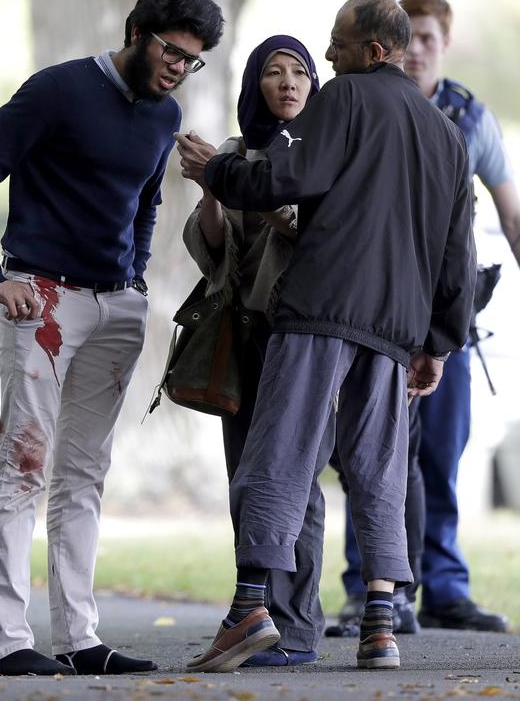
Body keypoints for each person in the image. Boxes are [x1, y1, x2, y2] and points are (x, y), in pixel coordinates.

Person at [176, 0, 475, 672]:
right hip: (397, 328)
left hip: (321, 305)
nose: (328, 54)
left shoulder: (343, 99)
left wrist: (216, 171)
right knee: (378, 469)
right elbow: (456, 252)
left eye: (337, 43)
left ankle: (249, 610)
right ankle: (380, 624)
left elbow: (288, 174)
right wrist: (438, 341)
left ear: (372, 49)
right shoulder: (446, 134)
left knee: (277, 454)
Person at [0, 0, 224, 677]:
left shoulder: (165, 118)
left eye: (193, 60)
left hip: (116, 310)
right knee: (25, 465)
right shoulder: (57, 91)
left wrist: (133, 277)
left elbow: (142, 206)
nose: (179, 67)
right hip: (40, 300)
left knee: (84, 474)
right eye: (172, 50)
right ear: (137, 31)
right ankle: (8, 641)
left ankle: (79, 638)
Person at [332, 0, 516, 635]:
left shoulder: (469, 117)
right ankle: (371, 589)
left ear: (445, 43)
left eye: (428, 40)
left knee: (441, 454)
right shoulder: (360, 104)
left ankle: (441, 585)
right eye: (407, 40)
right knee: (371, 454)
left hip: (448, 317)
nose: (416, 53)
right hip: (378, 312)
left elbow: (509, 211)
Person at [182, 35, 323, 667]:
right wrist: (211, 185)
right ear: (254, 85)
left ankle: (295, 627)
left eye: (300, 72)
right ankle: (255, 615)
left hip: (301, 334)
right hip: (242, 332)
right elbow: (213, 248)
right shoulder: (238, 153)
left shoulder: (323, 152)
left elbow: (315, 235)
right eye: (274, 72)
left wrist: (268, 205)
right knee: (247, 478)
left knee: (296, 480)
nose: (289, 82)